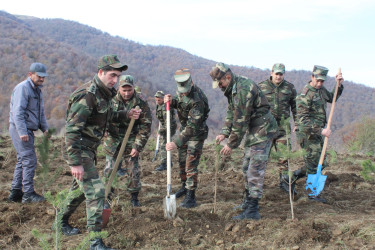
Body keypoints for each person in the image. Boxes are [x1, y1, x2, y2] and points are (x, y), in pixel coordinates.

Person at [61, 55, 141, 249]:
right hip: (79, 150)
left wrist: (126, 114)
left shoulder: (104, 94)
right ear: (100, 73)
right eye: (112, 75)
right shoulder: (88, 95)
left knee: (79, 192)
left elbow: (107, 115)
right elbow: (71, 130)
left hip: (88, 150)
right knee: (97, 192)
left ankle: (59, 222)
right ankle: (94, 242)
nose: (115, 80)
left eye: (117, 76)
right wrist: (75, 162)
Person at [210, 62, 278, 220]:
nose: (219, 86)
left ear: (227, 77)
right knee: (246, 166)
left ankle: (252, 210)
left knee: (255, 169)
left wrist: (231, 144)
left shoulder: (242, 89)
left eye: (220, 83)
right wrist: (225, 132)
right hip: (254, 130)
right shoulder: (232, 87)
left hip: (262, 129)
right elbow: (231, 111)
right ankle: (248, 202)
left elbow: (240, 121)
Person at [296, 65, 344, 203]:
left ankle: (292, 177)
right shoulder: (304, 95)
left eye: (322, 81)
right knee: (313, 164)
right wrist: (321, 130)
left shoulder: (321, 90)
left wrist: (338, 85)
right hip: (307, 134)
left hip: (317, 133)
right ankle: (312, 194)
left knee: (321, 162)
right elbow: (302, 120)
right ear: (312, 77)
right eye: (317, 80)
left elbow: (332, 98)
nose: (319, 83)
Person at [103, 75, 152, 207]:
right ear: (119, 88)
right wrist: (104, 129)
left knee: (132, 169)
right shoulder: (110, 99)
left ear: (133, 88)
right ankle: (108, 195)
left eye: (129, 90)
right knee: (110, 169)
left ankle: (134, 197)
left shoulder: (140, 102)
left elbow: (145, 126)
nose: (126, 93)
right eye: (123, 90)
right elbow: (103, 116)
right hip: (113, 139)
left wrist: (137, 145)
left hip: (131, 138)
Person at [165, 68, 210, 208]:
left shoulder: (198, 100)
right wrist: (169, 101)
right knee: (182, 161)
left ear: (192, 83)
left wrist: (176, 142)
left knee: (191, 164)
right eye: (181, 89)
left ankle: (191, 196)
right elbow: (180, 102)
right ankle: (184, 187)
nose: (183, 92)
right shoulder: (181, 91)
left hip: (196, 134)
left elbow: (193, 127)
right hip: (185, 131)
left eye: (185, 89)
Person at [8, 62, 49, 203]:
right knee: (29, 160)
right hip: (21, 129)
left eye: (44, 77)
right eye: (39, 76)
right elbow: (17, 112)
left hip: (27, 130)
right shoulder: (23, 88)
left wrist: (45, 128)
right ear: (30, 74)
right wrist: (22, 131)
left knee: (22, 160)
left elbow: (40, 112)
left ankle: (15, 193)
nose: (42, 79)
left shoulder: (37, 90)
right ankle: (28, 194)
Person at [257, 63, 298, 194]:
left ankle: (285, 183)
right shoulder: (261, 87)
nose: (278, 76)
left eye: (281, 74)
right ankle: (257, 184)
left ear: (283, 74)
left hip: (282, 129)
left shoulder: (290, 88)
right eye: (276, 74)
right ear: (271, 73)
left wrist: (297, 123)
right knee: (262, 157)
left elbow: (295, 107)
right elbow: (254, 106)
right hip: (265, 129)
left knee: (284, 158)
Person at [154, 90, 177, 171]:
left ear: (163, 99)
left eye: (159, 99)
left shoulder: (165, 107)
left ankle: (165, 164)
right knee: (164, 144)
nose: (157, 101)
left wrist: (161, 132)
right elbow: (161, 120)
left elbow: (168, 122)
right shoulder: (158, 105)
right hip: (165, 125)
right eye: (156, 99)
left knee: (164, 145)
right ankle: (168, 162)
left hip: (169, 127)